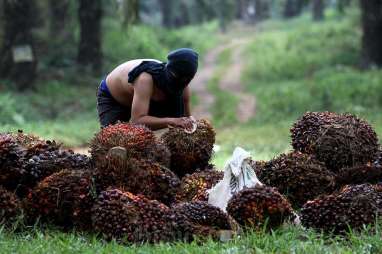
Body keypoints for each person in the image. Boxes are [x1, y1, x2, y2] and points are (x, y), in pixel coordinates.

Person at [97, 48, 198, 130]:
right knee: (115, 142)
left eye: (187, 79)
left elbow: (185, 119)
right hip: (114, 98)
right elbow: (137, 121)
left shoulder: (182, 87)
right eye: (177, 76)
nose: (183, 82)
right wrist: (172, 121)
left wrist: (190, 122)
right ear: (168, 69)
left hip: (141, 102)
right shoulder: (145, 79)